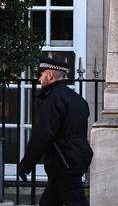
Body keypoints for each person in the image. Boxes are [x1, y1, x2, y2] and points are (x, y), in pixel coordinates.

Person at [17, 57, 93, 206]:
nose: (39, 79)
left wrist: (26, 165)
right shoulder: (77, 99)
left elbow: (42, 135)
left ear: (50, 75)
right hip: (71, 159)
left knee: (75, 201)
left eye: (41, 74)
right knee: (48, 202)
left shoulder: (53, 98)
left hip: (64, 162)